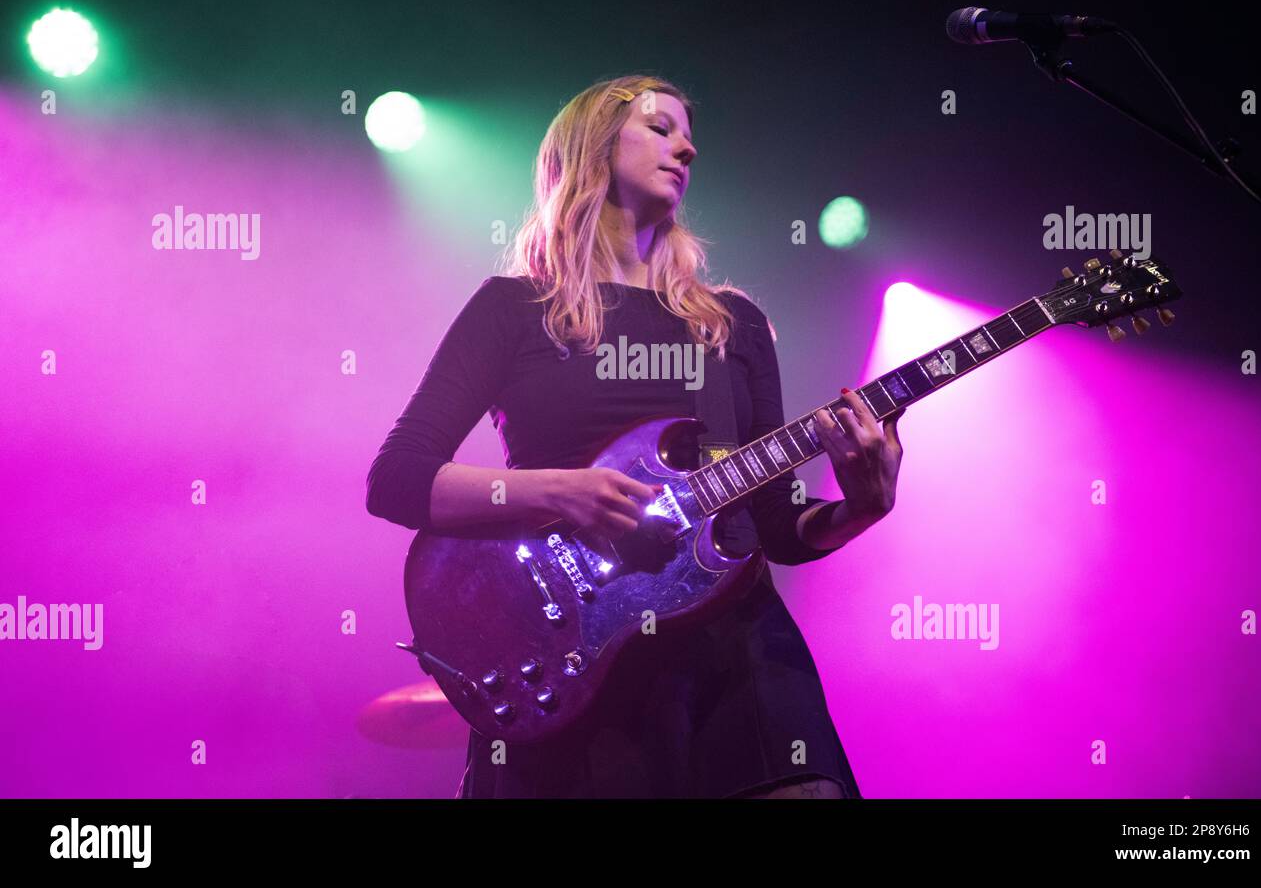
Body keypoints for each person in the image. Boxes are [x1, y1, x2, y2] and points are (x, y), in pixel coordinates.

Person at [365, 75, 905, 798]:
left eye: (689, 136)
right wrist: (562, 493)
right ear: (592, 148)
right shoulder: (514, 310)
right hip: (571, 649)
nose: (685, 147)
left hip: (735, 653)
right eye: (661, 128)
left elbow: (775, 525)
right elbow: (396, 478)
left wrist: (859, 508)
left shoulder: (731, 323)